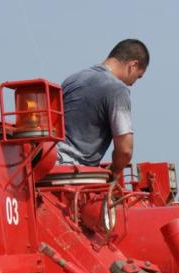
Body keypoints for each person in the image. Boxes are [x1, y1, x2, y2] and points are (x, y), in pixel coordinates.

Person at [56, 39, 149, 179]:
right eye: (138, 77)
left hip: (50, 166)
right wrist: (114, 173)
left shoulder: (72, 80)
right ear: (133, 65)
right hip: (75, 175)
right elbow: (125, 150)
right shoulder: (117, 89)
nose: (133, 84)